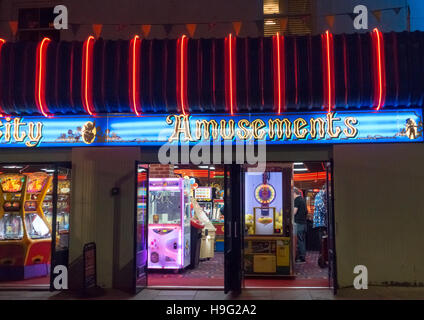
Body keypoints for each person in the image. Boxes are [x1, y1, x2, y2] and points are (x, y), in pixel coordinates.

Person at [313, 186, 328, 267]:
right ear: (325, 189)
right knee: (322, 242)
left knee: (323, 241)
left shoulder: (322, 196)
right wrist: (330, 210)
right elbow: (322, 208)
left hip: (322, 222)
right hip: (320, 222)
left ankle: (323, 259)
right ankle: (322, 260)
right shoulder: (319, 195)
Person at [293, 187, 307, 263]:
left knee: (299, 240)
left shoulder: (297, 200)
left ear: (294, 193)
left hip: (298, 223)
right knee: (302, 239)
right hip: (303, 223)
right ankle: (302, 256)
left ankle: (302, 257)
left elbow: (294, 212)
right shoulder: (302, 199)